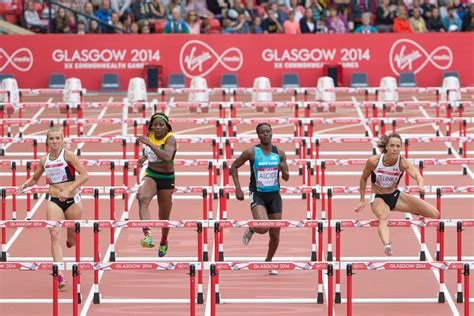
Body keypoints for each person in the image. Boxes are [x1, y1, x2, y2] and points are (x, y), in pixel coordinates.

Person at [19, 127, 89, 289]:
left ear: (62, 140)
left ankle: (70, 241)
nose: (55, 141)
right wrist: (25, 184)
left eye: (58, 138)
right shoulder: (44, 160)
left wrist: (69, 190)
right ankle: (59, 274)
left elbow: (85, 175)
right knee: (54, 233)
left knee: (72, 240)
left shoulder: (68, 155)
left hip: (72, 201)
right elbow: (35, 179)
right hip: (54, 201)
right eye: (51, 139)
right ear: (47, 141)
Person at [354, 133, 439, 256]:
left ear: (401, 148)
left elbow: (416, 173)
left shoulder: (402, 162)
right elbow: (363, 178)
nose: (395, 148)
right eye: (392, 145)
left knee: (434, 213)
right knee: (383, 217)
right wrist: (362, 200)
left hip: (395, 195)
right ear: (386, 147)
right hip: (378, 197)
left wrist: (420, 184)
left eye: (398, 146)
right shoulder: (374, 161)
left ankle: (414, 209)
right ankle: (387, 244)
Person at [230, 123, 289, 275]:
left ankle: (268, 262)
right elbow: (234, 167)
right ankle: (252, 228)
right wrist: (237, 187)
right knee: (263, 227)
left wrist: (283, 169)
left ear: (272, 133)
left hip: (274, 196)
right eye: (262, 132)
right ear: (258, 135)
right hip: (257, 194)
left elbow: (287, 178)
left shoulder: (279, 153)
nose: (265, 134)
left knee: (275, 235)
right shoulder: (251, 152)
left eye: (268, 131)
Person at [136, 113, 177, 257]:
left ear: (167, 127)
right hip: (151, 175)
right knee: (142, 197)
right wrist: (143, 158)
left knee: (163, 217)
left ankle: (164, 240)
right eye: (155, 124)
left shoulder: (170, 139)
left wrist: (149, 143)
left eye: (161, 125)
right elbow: (148, 152)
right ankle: (147, 235)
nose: (158, 127)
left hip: (166, 178)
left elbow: (166, 157)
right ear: (151, 126)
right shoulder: (150, 135)